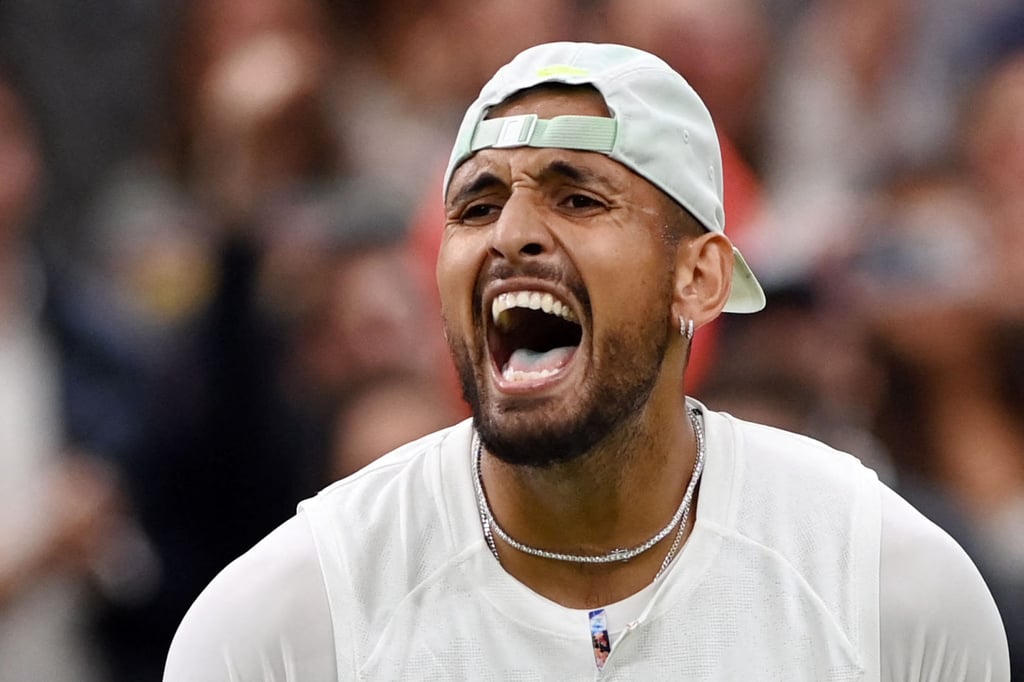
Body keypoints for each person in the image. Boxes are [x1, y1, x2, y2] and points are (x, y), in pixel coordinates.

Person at [164, 42, 1010, 680]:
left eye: (577, 197)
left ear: (700, 277)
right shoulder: (280, 623)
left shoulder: (888, 587)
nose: (512, 234)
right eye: (478, 204)